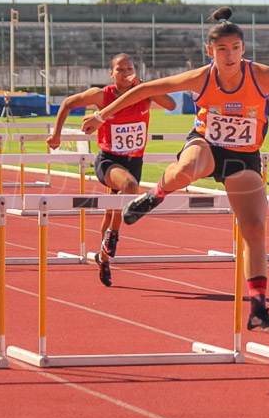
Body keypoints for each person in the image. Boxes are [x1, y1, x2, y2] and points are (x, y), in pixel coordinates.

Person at [82, 7, 269, 332]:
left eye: (236, 49)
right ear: (210, 51)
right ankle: (154, 195)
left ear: (244, 48)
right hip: (206, 144)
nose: (230, 56)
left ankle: (258, 307)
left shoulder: (263, 76)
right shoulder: (202, 77)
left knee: (255, 229)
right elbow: (144, 90)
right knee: (188, 168)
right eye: (222, 50)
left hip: (244, 157)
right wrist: (102, 116)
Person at [47, 53, 176, 287]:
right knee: (129, 186)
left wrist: (142, 86)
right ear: (112, 73)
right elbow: (67, 103)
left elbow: (171, 104)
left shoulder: (144, 93)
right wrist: (56, 134)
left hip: (134, 162)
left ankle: (103, 258)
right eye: (121, 69)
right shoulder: (101, 95)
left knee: (110, 212)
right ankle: (113, 237)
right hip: (108, 161)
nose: (126, 73)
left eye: (130, 68)